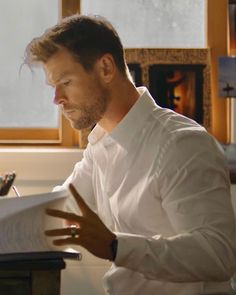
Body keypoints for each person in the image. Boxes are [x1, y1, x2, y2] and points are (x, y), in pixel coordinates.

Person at [24, 14, 236, 295]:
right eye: (54, 87)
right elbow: (61, 206)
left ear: (106, 68)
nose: (57, 99)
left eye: (66, 82)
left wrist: (115, 246)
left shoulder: (181, 144)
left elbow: (219, 255)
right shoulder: (101, 143)